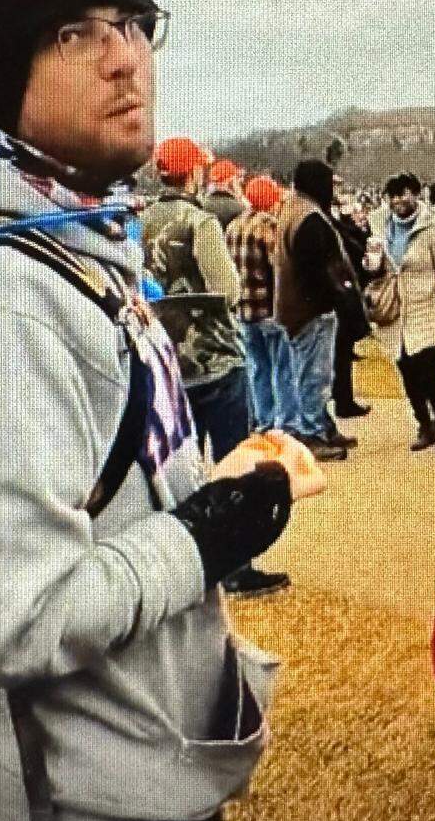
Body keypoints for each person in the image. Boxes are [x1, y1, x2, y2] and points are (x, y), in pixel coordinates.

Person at [0, 0, 310, 821]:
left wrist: (205, 488)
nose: (127, 56)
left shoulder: (75, 235)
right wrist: (207, 530)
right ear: (1, 77)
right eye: (76, 34)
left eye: (134, 24)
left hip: (131, 772)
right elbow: (16, 618)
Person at [142, 139, 290, 598]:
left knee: (179, 466)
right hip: (213, 357)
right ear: (193, 175)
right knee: (232, 460)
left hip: (166, 360)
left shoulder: (140, 221)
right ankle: (235, 565)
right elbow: (226, 288)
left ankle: (183, 559)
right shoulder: (199, 222)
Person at [364, 172, 435, 455]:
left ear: (417, 195)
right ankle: (423, 424)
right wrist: (372, 263)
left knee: (427, 367)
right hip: (396, 312)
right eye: (394, 195)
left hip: (428, 308)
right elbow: (376, 271)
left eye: (405, 193)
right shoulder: (380, 228)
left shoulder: (434, 229)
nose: (399, 200)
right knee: (406, 369)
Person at [273, 159, 358, 459]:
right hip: (310, 310)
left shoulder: (292, 210)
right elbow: (315, 269)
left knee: (310, 372)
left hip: (294, 308)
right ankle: (312, 433)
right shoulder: (309, 217)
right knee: (315, 376)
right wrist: (336, 298)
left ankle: (322, 424)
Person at [225, 174, 298, 435]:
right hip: (269, 308)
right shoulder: (269, 227)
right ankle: (286, 423)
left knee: (258, 367)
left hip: (244, 309)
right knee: (283, 368)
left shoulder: (233, 226)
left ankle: (264, 419)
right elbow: (279, 269)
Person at [329, 185, 373, 419]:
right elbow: (354, 247)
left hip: (339, 291)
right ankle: (342, 400)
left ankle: (342, 398)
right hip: (339, 293)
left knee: (341, 352)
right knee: (340, 352)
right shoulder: (328, 222)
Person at [203, 159, 246, 231]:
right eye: (237, 179)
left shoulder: (200, 204)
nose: (240, 181)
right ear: (231, 181)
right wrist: (240, 196)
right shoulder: (240, 209)